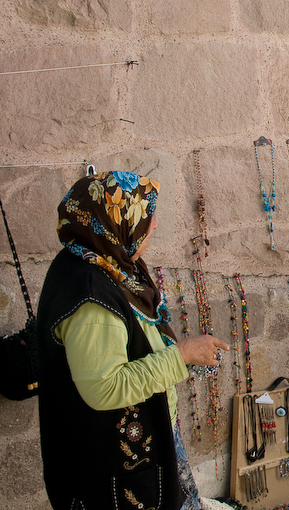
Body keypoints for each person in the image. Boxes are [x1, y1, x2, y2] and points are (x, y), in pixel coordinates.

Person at [36, 171, 229, 510]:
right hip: (113, 469)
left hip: (145, 446)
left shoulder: (104, 262)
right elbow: (105, 388)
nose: (153, 226)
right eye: (145, 218)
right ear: (117, 224)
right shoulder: (92, 300)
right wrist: (181, 354)